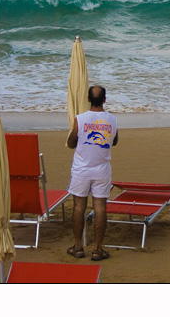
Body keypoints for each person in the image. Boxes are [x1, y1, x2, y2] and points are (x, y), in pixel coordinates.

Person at [67, 85, 118, 261]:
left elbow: (71, 143)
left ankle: (78, 246)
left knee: (78, 206)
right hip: (102, 169)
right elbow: (114, 141)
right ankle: (97, 249)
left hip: (81, 169)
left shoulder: (80, 119)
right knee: (100, 207)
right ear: (105, 100)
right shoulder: (112, 119)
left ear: (88, 99)